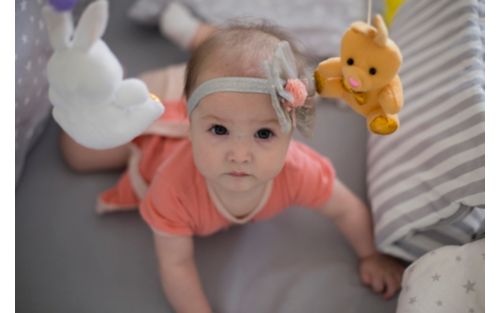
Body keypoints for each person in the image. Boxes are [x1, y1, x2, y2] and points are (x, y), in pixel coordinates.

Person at [60, 23, 404, 313]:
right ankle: (146, 87)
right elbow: (175, 264)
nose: (240, 155)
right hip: (155, 141)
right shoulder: (172, 190)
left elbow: (346, 210)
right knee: (78, 151)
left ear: (291, 134)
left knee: (223, 87)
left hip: (201, 104)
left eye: (264, 133)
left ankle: (197, 67)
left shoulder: (298, 171)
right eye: (220, 131)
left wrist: (371, 255)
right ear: (193, 126)